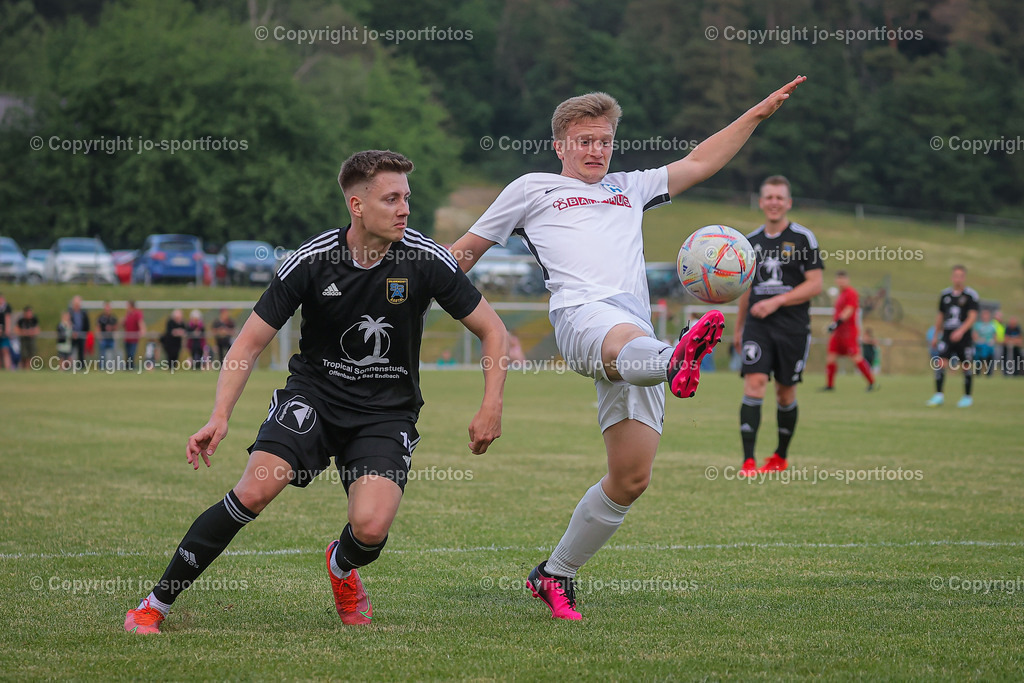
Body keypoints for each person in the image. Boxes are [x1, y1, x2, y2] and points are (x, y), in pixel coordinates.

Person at [451, 76, 805, 620]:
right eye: (585, 140)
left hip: (635, 336)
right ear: (560, 145)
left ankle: (554, 575)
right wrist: (405, 288)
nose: (597, 150)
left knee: (631, 478)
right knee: (636, 345)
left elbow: (699, 162)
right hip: (582, 319)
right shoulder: (530, 189)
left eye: (605, 140)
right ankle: (674, 360)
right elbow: (464, 254)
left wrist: (754, 114)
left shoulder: (629, 187)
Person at [124, 150, 508, 635]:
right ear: (357, 205)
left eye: (406, 197)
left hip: (386, 414)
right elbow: (248, 343)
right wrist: (219, 414)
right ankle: (154, 604)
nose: (404, 209)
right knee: (253, 490)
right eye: (391, 199)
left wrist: (491, 402)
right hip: (314, 400)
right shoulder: (311, 260)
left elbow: (493, 331)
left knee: (370, 529)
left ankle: (341, 567)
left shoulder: (424, 260)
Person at [733, 175, 824, 476]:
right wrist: (739, 327)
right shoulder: (750, 242)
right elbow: (745, 289)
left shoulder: (803, 239)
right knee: (754, 383)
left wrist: (777, 301)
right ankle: (748, 460)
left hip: (793, 327)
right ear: (761, 202)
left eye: (779, 198)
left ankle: (780, 456)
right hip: (757, 328)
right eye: (768, 197)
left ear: (788, 203)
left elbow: (815, 285)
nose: (773, 202)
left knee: (785, 393)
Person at [927, 265, 979, 407]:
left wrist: (961, 331)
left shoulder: (971, 295)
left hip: (964, 335)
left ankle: (967, 397)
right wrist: (935, 335)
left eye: (961, 276)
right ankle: (939, 395)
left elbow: (972, 316)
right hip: (948, 334)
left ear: (964, 278)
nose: (958, 279)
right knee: (940, 363)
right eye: (955, 276)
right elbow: (940, 316)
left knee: (966, 365)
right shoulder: (945, 295)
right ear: (952, 277)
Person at [821, 270, 875, 391]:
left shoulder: (851, 293)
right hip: (838, 333)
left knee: (856, 357)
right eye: (839, 279)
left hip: (848, 333)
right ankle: (830, 385)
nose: (841, 281)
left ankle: (872, 382)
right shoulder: (840, 294)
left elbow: (849, 310)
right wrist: (834, 325)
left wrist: (837, 323)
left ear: (847, 280)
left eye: (843, 279)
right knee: (831, 357)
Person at [972, 309, 997, 376]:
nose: (985, 316)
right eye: (984, 315)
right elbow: (974, 336)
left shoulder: (993, 325)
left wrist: (992, 341)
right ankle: (977, 373)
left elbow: (995, 336)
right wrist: (979, 340)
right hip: (980, 346)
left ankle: (989, 373)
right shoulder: (977, 325)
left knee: (990, 357)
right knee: (979, 357)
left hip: (989, 346)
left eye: (987, 315)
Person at [123, 300, 146, 370]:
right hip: (127, 338)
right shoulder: (128, 314)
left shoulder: (137, 313)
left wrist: (142, 330)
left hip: (133, 339)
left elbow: (140, 322)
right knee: (127, 355)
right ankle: (127, 368)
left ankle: (131, 368)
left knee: (131, 354)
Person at [68, 295, 90, 364]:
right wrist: (72, 332)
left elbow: (87, 324)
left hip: (81, 336)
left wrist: (84, 333)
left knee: (81, 353)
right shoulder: (70, 313)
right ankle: (69, 367)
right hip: (72, 336)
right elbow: (67, 324)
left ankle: (81, 367)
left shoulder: (84, 313)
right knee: (70, 353)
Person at [96, 301, 118, 369]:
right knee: (102, 355)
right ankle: (101, 368)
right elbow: (98, 327)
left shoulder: (113, 318)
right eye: (106, 307)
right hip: (103, 339)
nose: (107, 309)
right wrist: (99, 337)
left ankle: (111, 368)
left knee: (112, 354)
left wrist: (111, 328)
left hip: (111, 339)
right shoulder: (101, 317)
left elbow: (116, 327)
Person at [17, 305, 40, 370]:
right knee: (24, 355)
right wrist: (24, 332)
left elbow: (37, 330)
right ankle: (22, 368)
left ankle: (28, 368)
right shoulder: (21, 320)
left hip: (31, 340)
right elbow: (16, 330)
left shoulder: (34, 319)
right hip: (23, 340)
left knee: (30, 355)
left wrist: (31, 332)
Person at [0, 293, 12, 370]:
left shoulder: (6, 307)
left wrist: (7, 330)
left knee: (5, 350)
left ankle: (8, 368)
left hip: (4, 333)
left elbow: (8, 318)